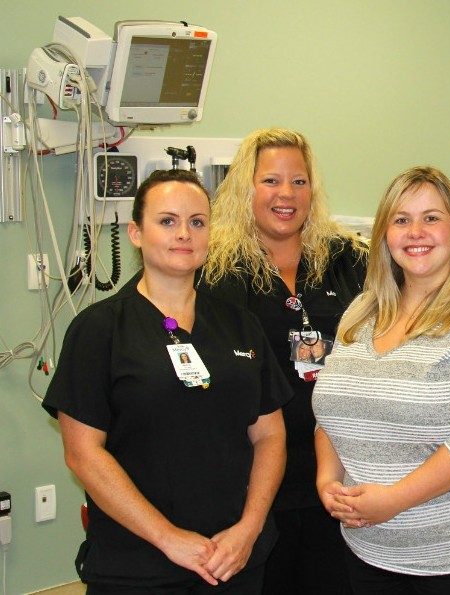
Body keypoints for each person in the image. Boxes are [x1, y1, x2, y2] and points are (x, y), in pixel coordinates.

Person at [43, 169, 291, 594]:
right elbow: (84, 455)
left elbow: (269, 435)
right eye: (167, 221)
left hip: (234, 560)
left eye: (197, 222)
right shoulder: (99, 330)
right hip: (139, 564)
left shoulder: (240, 326)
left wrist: (248, 530)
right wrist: (167, 538)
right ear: (136, 233)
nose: (184, 234)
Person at [312, 166, 450, 594]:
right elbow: (332, 414)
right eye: (401, 219)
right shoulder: (360, 312)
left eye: (432, 217)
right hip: (369, 550)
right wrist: (326, 481)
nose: (416, 232)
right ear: (384, 234)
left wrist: (393, 501)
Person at [200, 128, 367, 593]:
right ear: (245, 188)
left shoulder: (348, 260)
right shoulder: (213, 272)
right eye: (271, 181)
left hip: (336, 478)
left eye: (299, 181)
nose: (286, 195)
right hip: (254, 484)